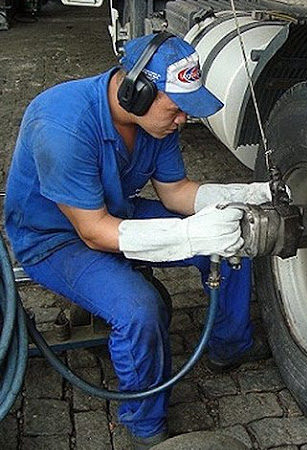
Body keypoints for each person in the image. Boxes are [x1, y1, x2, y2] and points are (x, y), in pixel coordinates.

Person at [4, 33, 272, 448]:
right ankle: (145, 424)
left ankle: (230, 344)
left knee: (234, 237)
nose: (184, 119)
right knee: (139, 310)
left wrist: (242, 196)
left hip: (114, 212)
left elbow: (175, 191)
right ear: (137, 91)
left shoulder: (156, 124)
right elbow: (93, 233)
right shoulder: (61, 123)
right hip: (57, 238)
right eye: (178, 107)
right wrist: (187, 235)